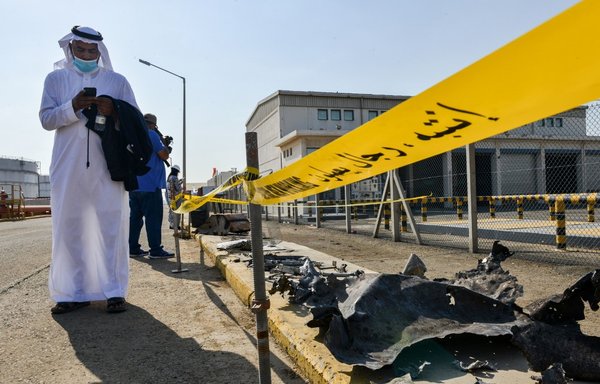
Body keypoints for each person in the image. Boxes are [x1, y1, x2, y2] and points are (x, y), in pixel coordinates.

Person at [39, 26, 138, 314]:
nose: (86, 55)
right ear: (70, 50)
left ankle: (114, 291)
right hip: (67, 166)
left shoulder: (116, 81)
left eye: (91, 51)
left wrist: (114, 110)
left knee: (110, 226)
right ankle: (72, 293)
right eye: (80, 50)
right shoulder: (56, 79)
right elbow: (46, 119)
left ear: (99, 52)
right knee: (69, 227)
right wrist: (71, 107)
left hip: (109, 165)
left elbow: (134, 120)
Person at [128, 113, 175, 259]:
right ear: (153, 124)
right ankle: (155, 249)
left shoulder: (132, 134)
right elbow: (163, 155)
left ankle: (133, 248)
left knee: (135, 218)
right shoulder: (152, 134)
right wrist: (166, 147)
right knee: (153, 219)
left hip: (134, 185)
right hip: (150, 185)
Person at [166, 165, 183, 230]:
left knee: (172, 211)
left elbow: (171, 187)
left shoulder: (169, 177)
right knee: (177, 211)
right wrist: (181, 182)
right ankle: (176, 225)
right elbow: (178, 188)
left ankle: (172, 224)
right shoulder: (174, 177)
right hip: (176, 198)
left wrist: (179, 182)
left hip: (170, 197)